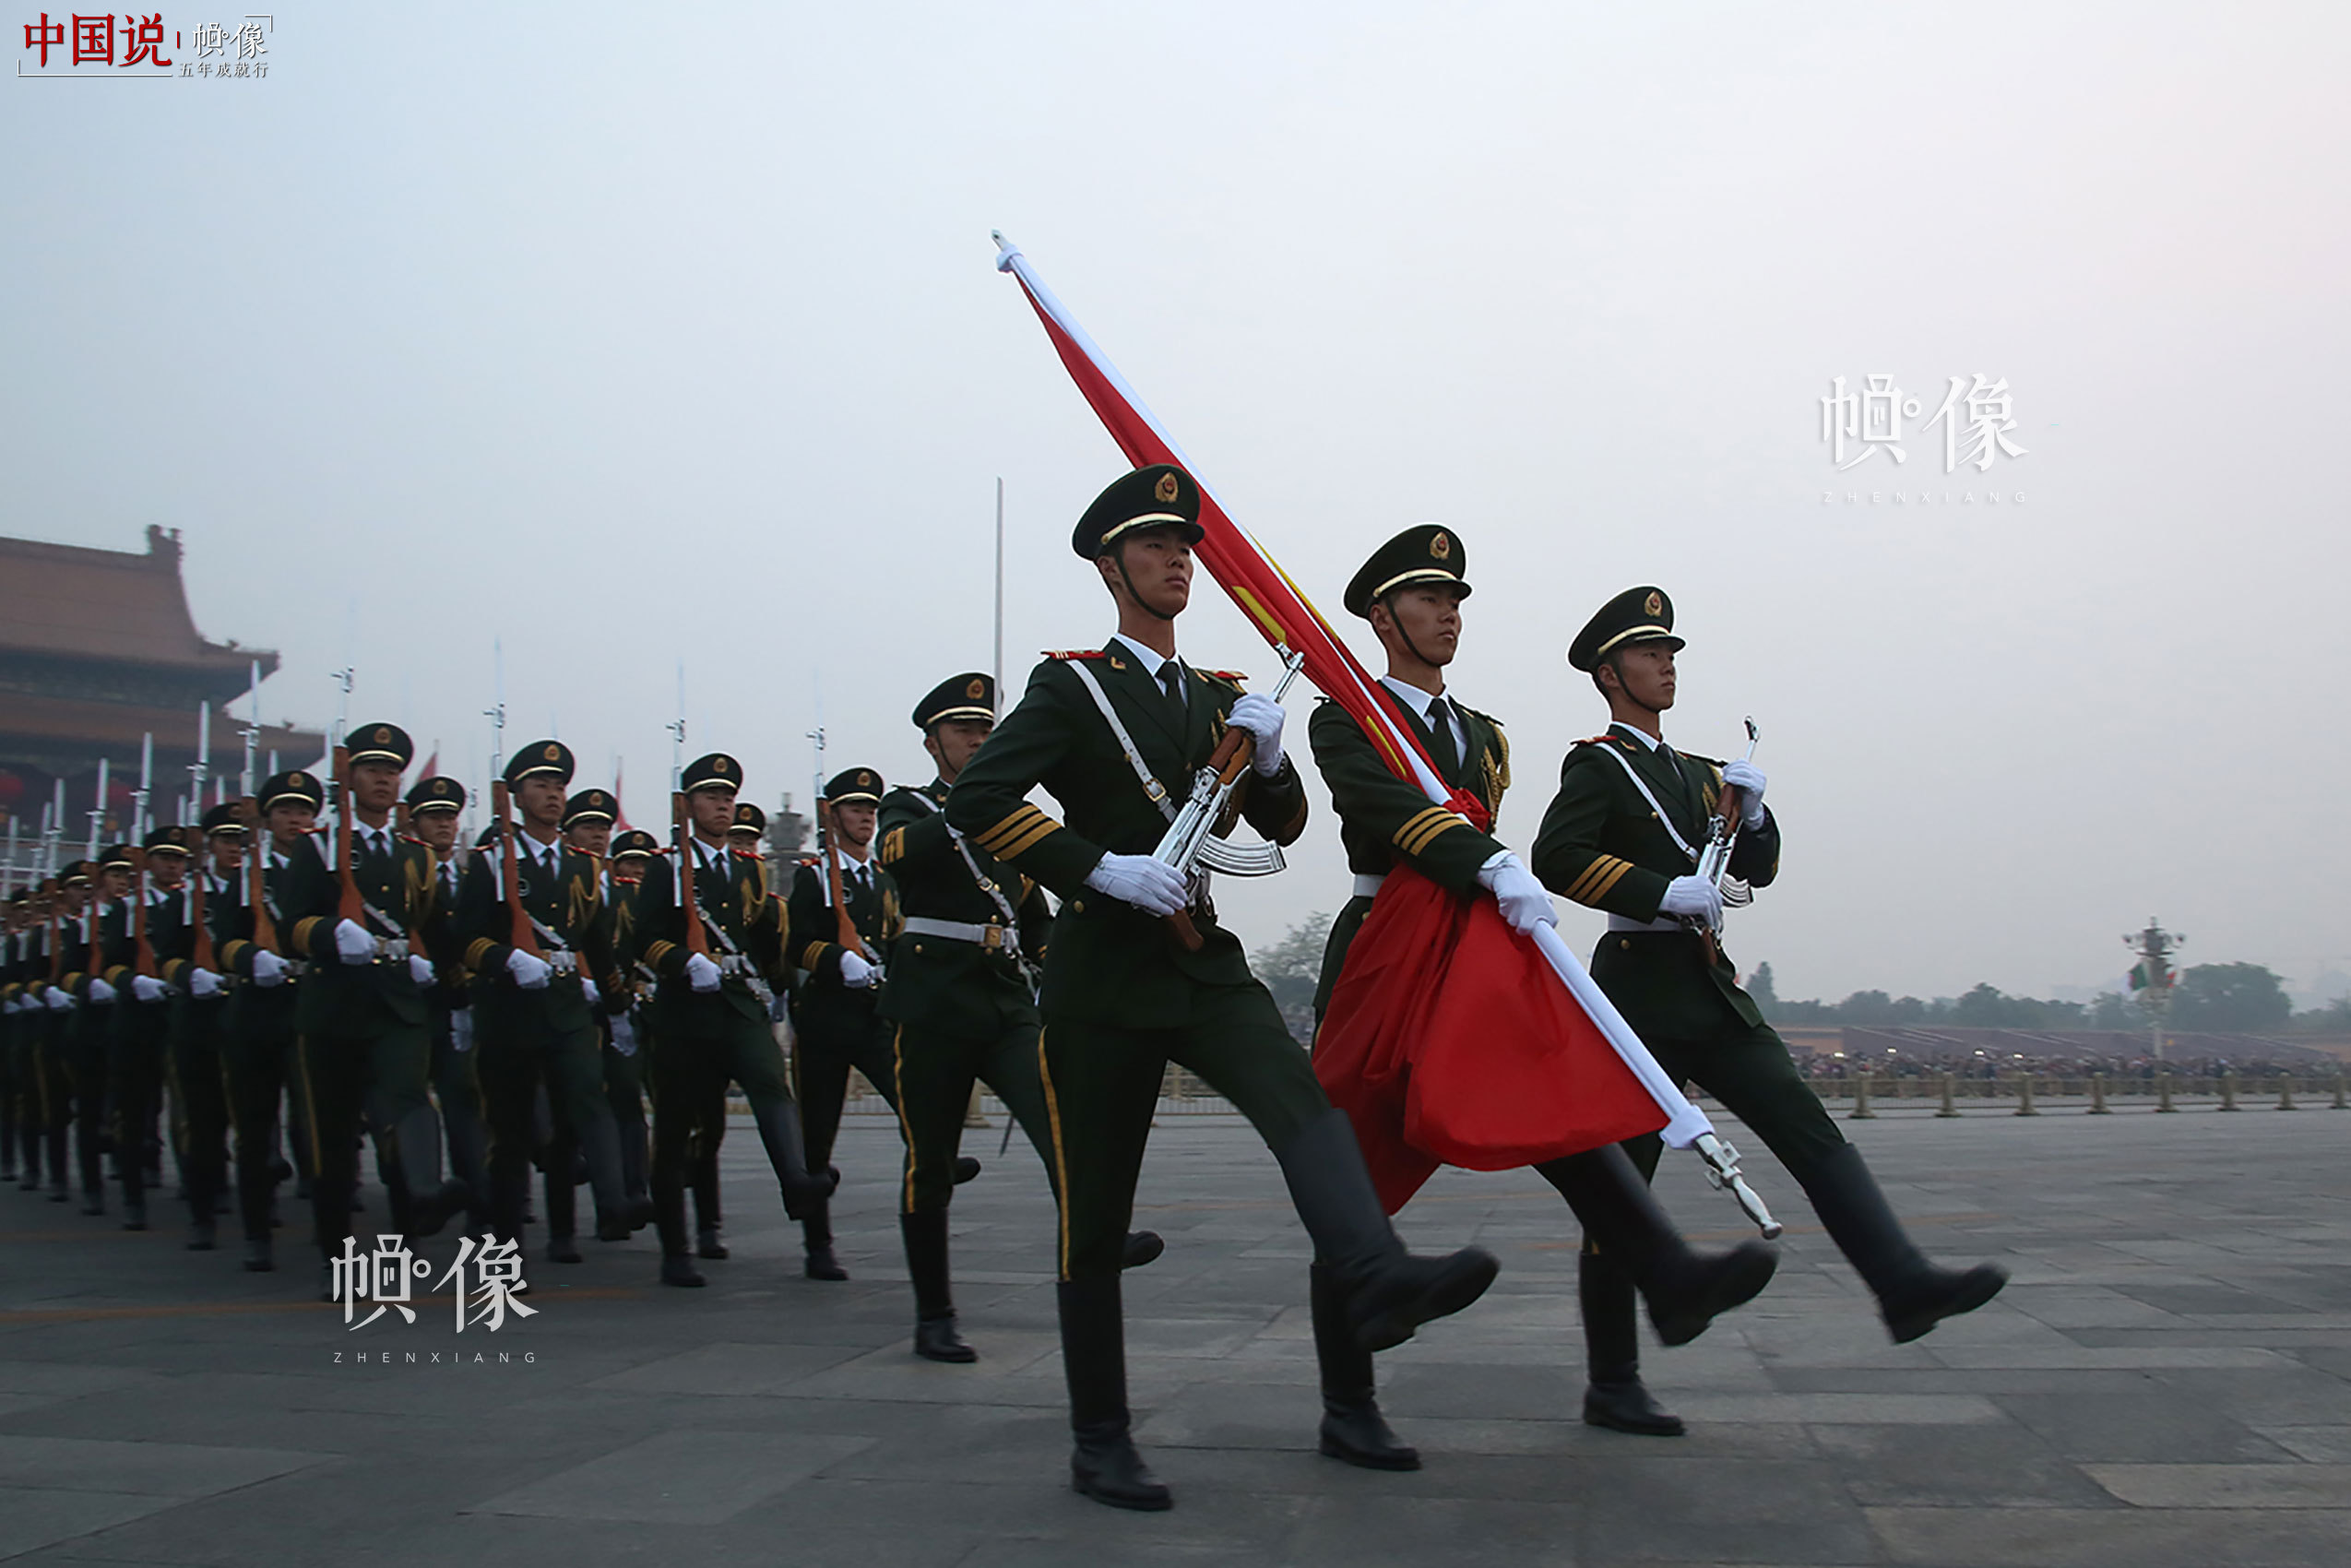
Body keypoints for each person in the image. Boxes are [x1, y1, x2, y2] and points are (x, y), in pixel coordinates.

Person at [944, 464, 1499, 1511]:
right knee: (1095, 1215)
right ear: (1111, 568)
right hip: (1101, 973)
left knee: (1297, 1099)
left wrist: (1275, 760)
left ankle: (1373, 1269)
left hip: (1199, 958)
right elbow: (976, 796)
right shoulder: (1071, 685)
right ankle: (1099, 1435)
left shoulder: (1214, 697)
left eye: (1182, 545)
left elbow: (1277, 828)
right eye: (1153, 547)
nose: (1176, 561)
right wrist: (1094, 867)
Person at [1306, 528, 1776, 1462]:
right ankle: (1346, 1400)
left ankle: (1668, 1270)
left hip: (1470, 943)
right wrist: (1485, 858)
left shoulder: (1480, 733)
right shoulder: (1345, 716)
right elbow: (1391, 814)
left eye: (1454, 600)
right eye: (1426, 598)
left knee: (1559, 1109)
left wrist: (1494, 879)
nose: (1447, 613)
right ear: (1379, 615)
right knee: (1355, 1177)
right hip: (1385, 946)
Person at [1531, 586, 2007, 1428]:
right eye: (1649, 655)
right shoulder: (1597, 765)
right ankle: (1612, 1382)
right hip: (1636, 985)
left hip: (1708, 983)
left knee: (1807, 1129)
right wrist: (1657, 888)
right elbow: (1556, 856)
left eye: (1670, 653)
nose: (1666, 665)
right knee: (1623, 1190)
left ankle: (1899, 1281)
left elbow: (1763, 866)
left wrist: (1754, 815)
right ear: (1609, 675)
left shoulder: (1700, 771)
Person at [877, 674, 1165, 1360]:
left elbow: (1033, 913)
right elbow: (892, 854)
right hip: (932, 996)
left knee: (1057, 1117)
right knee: (931, 1161)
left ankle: (1096, 1227)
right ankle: (934, 1313)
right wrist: (964, 811)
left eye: (985, 731)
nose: (977, 740)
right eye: (961, 731)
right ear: (932, 741)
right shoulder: (909, 805)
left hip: (1004, 996)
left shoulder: (1012, 815)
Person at [270, 725, 468, 1289]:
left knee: (405, 1105)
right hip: (331, 1008)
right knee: (333, 1140)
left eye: (391, 772)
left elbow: (439, 928)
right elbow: (290, 928)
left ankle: (414, 1218)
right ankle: (340, 1259)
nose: (382, 779)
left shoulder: (417, 856)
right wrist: (331, 933)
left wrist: (458, 995)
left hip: (398, 1006)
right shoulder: (317, 845)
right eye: (371, 770)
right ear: (350, 778)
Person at [623, 750, 829, 1288]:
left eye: (728, 798)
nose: (722, 806)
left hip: (738, 1002)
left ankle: (796, 1181)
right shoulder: (667, 868)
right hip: (683, 1012)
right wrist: (681, 960)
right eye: (712, 797)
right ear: (689, 805)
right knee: (675, 1131)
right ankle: (676, 1248)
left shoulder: (746, 868)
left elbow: (762, 935)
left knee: (769, 1079)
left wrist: (781, 987)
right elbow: (642, 938)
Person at [455, 744, 647, 1261]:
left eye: (558, 786)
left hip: (565, 1008)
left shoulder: (583, 867)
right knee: (513, 1133)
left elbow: (597, 941)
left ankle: (582, 1222)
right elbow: (464, 938)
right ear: (516, 797)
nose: (553, 795)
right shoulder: (491, 863)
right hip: (508, 1010)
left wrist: (616, 1005)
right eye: (540, 786)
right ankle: (505, 1243)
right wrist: (501, 959)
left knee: (577, 1111)